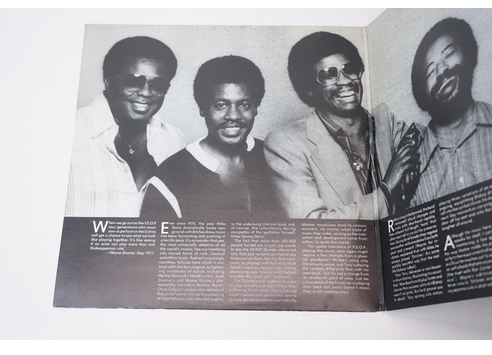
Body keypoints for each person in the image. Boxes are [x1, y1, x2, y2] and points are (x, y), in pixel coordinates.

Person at [264, 31, 419, 219]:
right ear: (309, 89)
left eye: (350, 69)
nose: (345, 81)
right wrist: (386, 190)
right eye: (328, 75)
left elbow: (426, 141)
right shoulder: (285, 144)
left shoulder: (384, 121)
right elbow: (313, 226)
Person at [141, 55, 279, 220]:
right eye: (221, 105)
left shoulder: (275, 157)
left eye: (244, 105)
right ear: (202, 109)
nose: (233, 115)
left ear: (255, 108)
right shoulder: (169, 176)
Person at [65, 36, 185, 217]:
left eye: (158, 84)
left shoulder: (173, 138)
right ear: (108, 81)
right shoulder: (70, 131)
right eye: (134, 81)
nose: (146, 92)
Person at [409, 17, 492, 207]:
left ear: (467, 54)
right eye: (430, 72)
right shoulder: (412, 170)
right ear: (422, 91)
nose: (441, 71)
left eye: (448, 54)